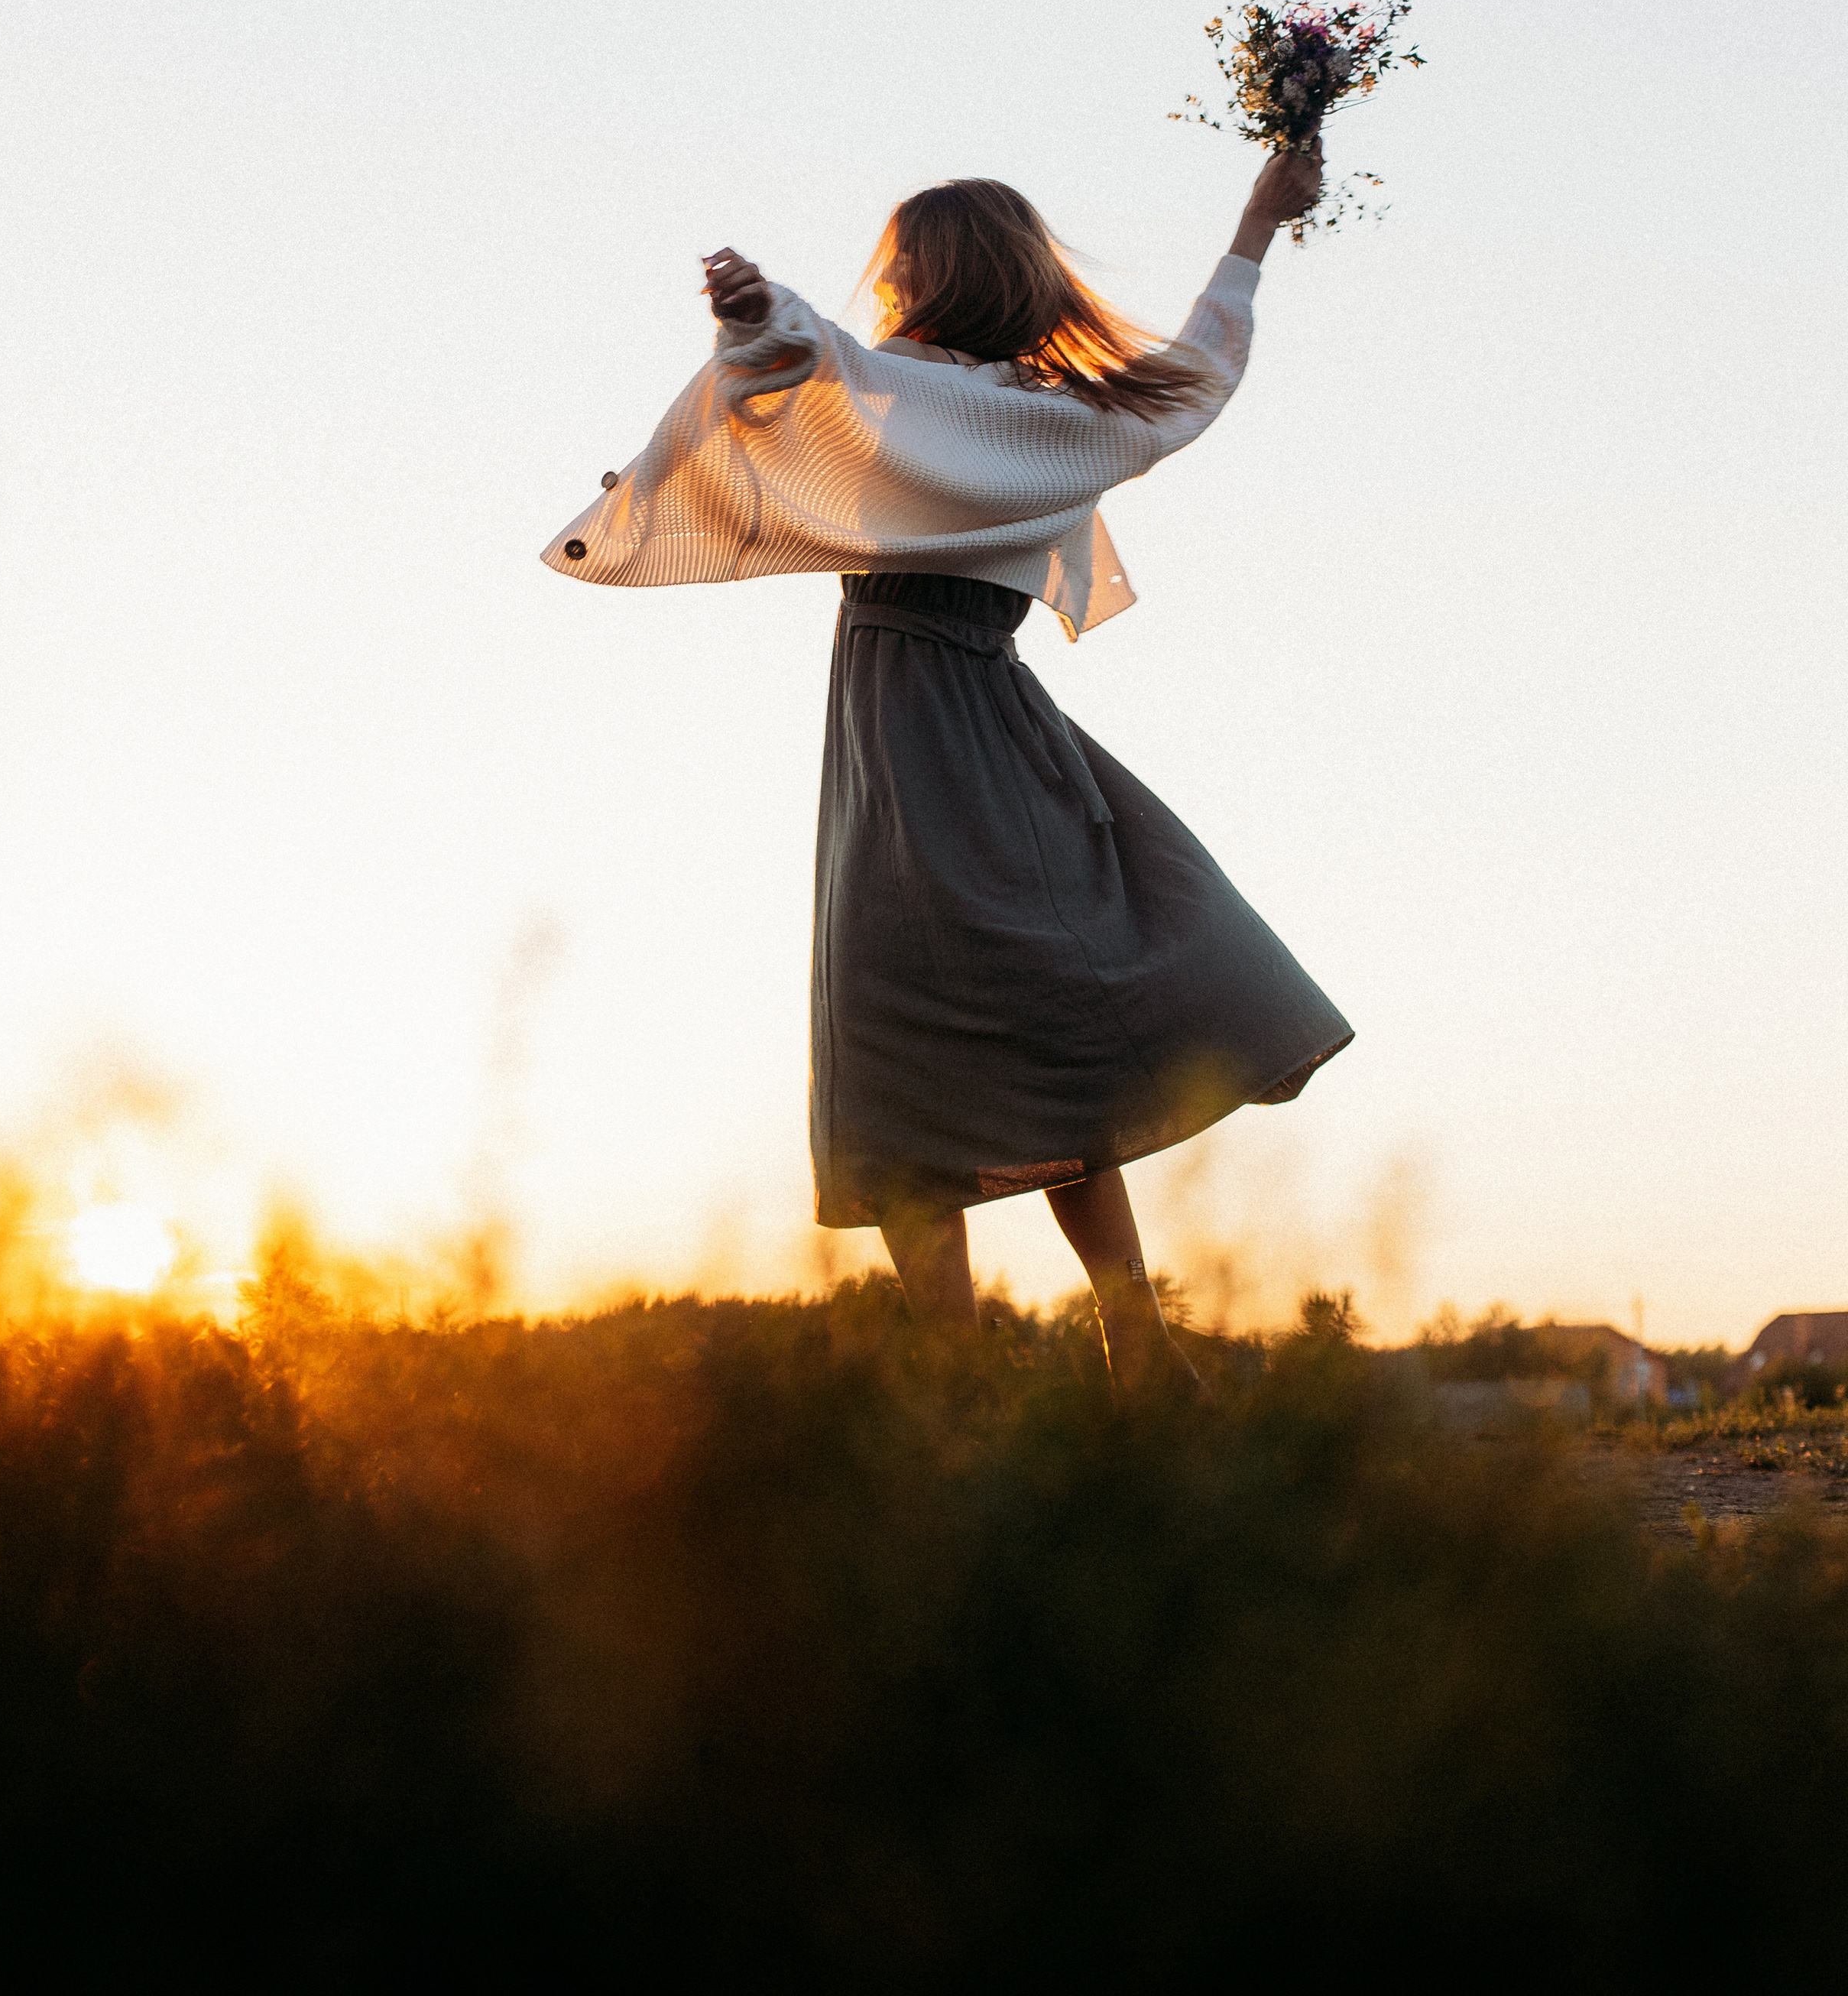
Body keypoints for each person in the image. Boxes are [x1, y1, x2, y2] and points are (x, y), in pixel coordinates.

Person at [544, 143, 1351, 1390]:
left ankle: (973, 1375)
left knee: (903, 1032)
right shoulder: (1048, 417)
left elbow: (819, 381)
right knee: (1041, 1013)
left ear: (937, 272)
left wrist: (766, 324)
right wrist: (1253, 227)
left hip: (912, 710)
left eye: (906, 257)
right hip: (982, 710)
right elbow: (1196, 375)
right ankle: (1127, 1345)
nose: (893, 274)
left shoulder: (929, 393)